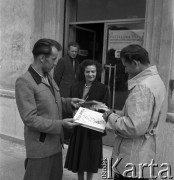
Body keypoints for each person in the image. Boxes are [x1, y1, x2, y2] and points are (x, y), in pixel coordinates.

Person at [15, 38, 84, 180]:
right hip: (40, 148)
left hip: (56, 145)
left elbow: (53, 100)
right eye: (53, 59)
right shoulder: (24, 82)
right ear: (42, 58)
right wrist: (61, 124)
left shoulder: (48, 76)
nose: (55, 63)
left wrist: (69, 102)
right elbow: (30, 119)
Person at [103, 44, 166, 180]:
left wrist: (111, 116)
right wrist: (119, 114)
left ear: (136, 63)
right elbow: (142, 117)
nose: (125, 71)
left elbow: (133, 127)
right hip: (143, 154)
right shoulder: (156, 80)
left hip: (131, 159)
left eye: (126, 66)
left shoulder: (143, 87)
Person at [64, 59, 110, 180]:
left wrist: (96, 108)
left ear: (97, 72)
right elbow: (69, 105)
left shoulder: (103, 88)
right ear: (83, 72)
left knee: (91, 158)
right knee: (79, 157)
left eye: (93, 72)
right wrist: (73, 108)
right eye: (88, 72)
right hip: (79, 128)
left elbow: (106, 108)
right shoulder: (75, 86)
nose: (91, 74)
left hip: (93, 128)